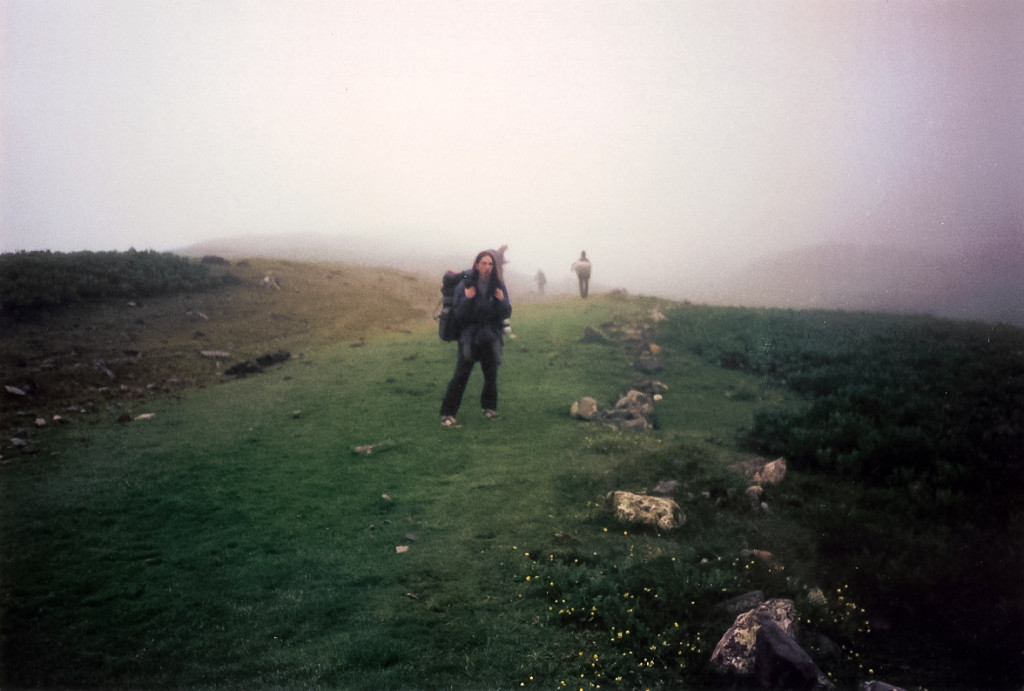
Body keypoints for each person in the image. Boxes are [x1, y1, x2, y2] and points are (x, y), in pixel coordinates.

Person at [439, 250, 512, 427]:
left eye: (490, 264)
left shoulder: (498, 286)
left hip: (490, 336)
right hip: (469, 337)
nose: (487, 267)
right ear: (477, 265)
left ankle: (489, 409)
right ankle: (448, 414)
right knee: (461, 375)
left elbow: (506, 312)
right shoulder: (465, 284)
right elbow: (459, 314)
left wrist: (502, 300)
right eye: (484, 263)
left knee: (491, 374)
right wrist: (468, 298)